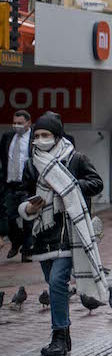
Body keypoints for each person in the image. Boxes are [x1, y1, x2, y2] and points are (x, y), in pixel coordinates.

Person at [20, 112, 105, 356]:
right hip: (43, 233)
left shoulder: (75, 158)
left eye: (45, 135)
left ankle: (58, 336)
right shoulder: (31, 164)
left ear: (57, 137)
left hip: (70, 233)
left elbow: (96, 183)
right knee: (54, 284)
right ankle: (64, 335)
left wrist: (70, 186)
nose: (40, 140)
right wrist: (27, 207)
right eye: (36, 136)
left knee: (57, 281)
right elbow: (22, 193)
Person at [3, 110, 33, 258]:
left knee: (28, 217)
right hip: (10, 185)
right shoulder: (7, 137)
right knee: (9, 218)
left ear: (28, 123)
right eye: (14, 123)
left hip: (26, 185)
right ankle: (16, 241)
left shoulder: (34, 138)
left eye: (20, 123)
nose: (16, 126)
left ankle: (27, 251)